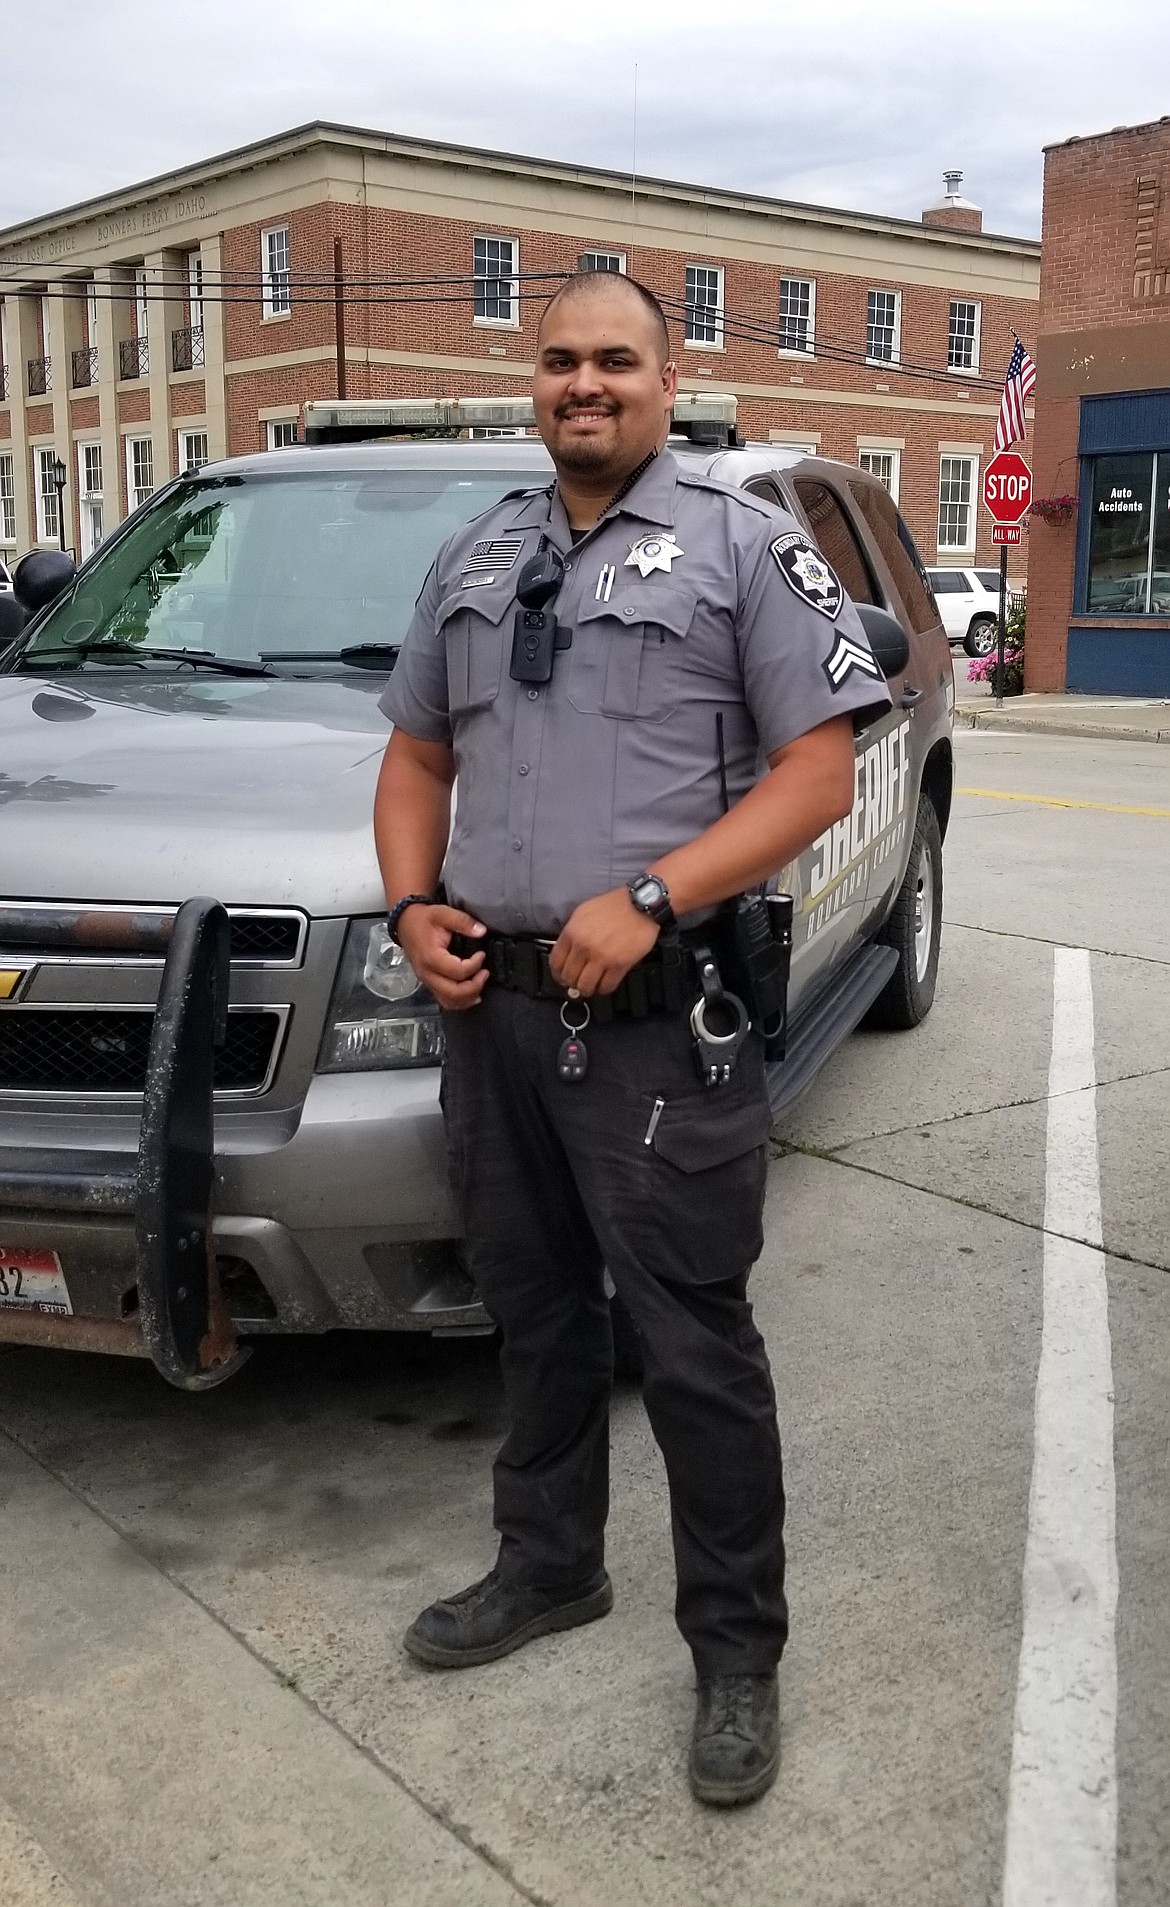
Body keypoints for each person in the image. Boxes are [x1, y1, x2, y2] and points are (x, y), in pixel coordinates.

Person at [374, 271, 890, 1807]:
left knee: (691, 1344)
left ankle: (735, 1653)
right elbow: (413, 752)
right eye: (556, 361)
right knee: (533, 1318)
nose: (580, 384)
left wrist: (656, 899)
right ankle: (548, 1568)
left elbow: (811, 772)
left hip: (662, 1027)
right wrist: (412, 906)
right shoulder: (474, 552)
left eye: (613, 361)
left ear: (669, 379)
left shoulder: (743, 546)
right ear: (529, 383)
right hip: (495, 1020)